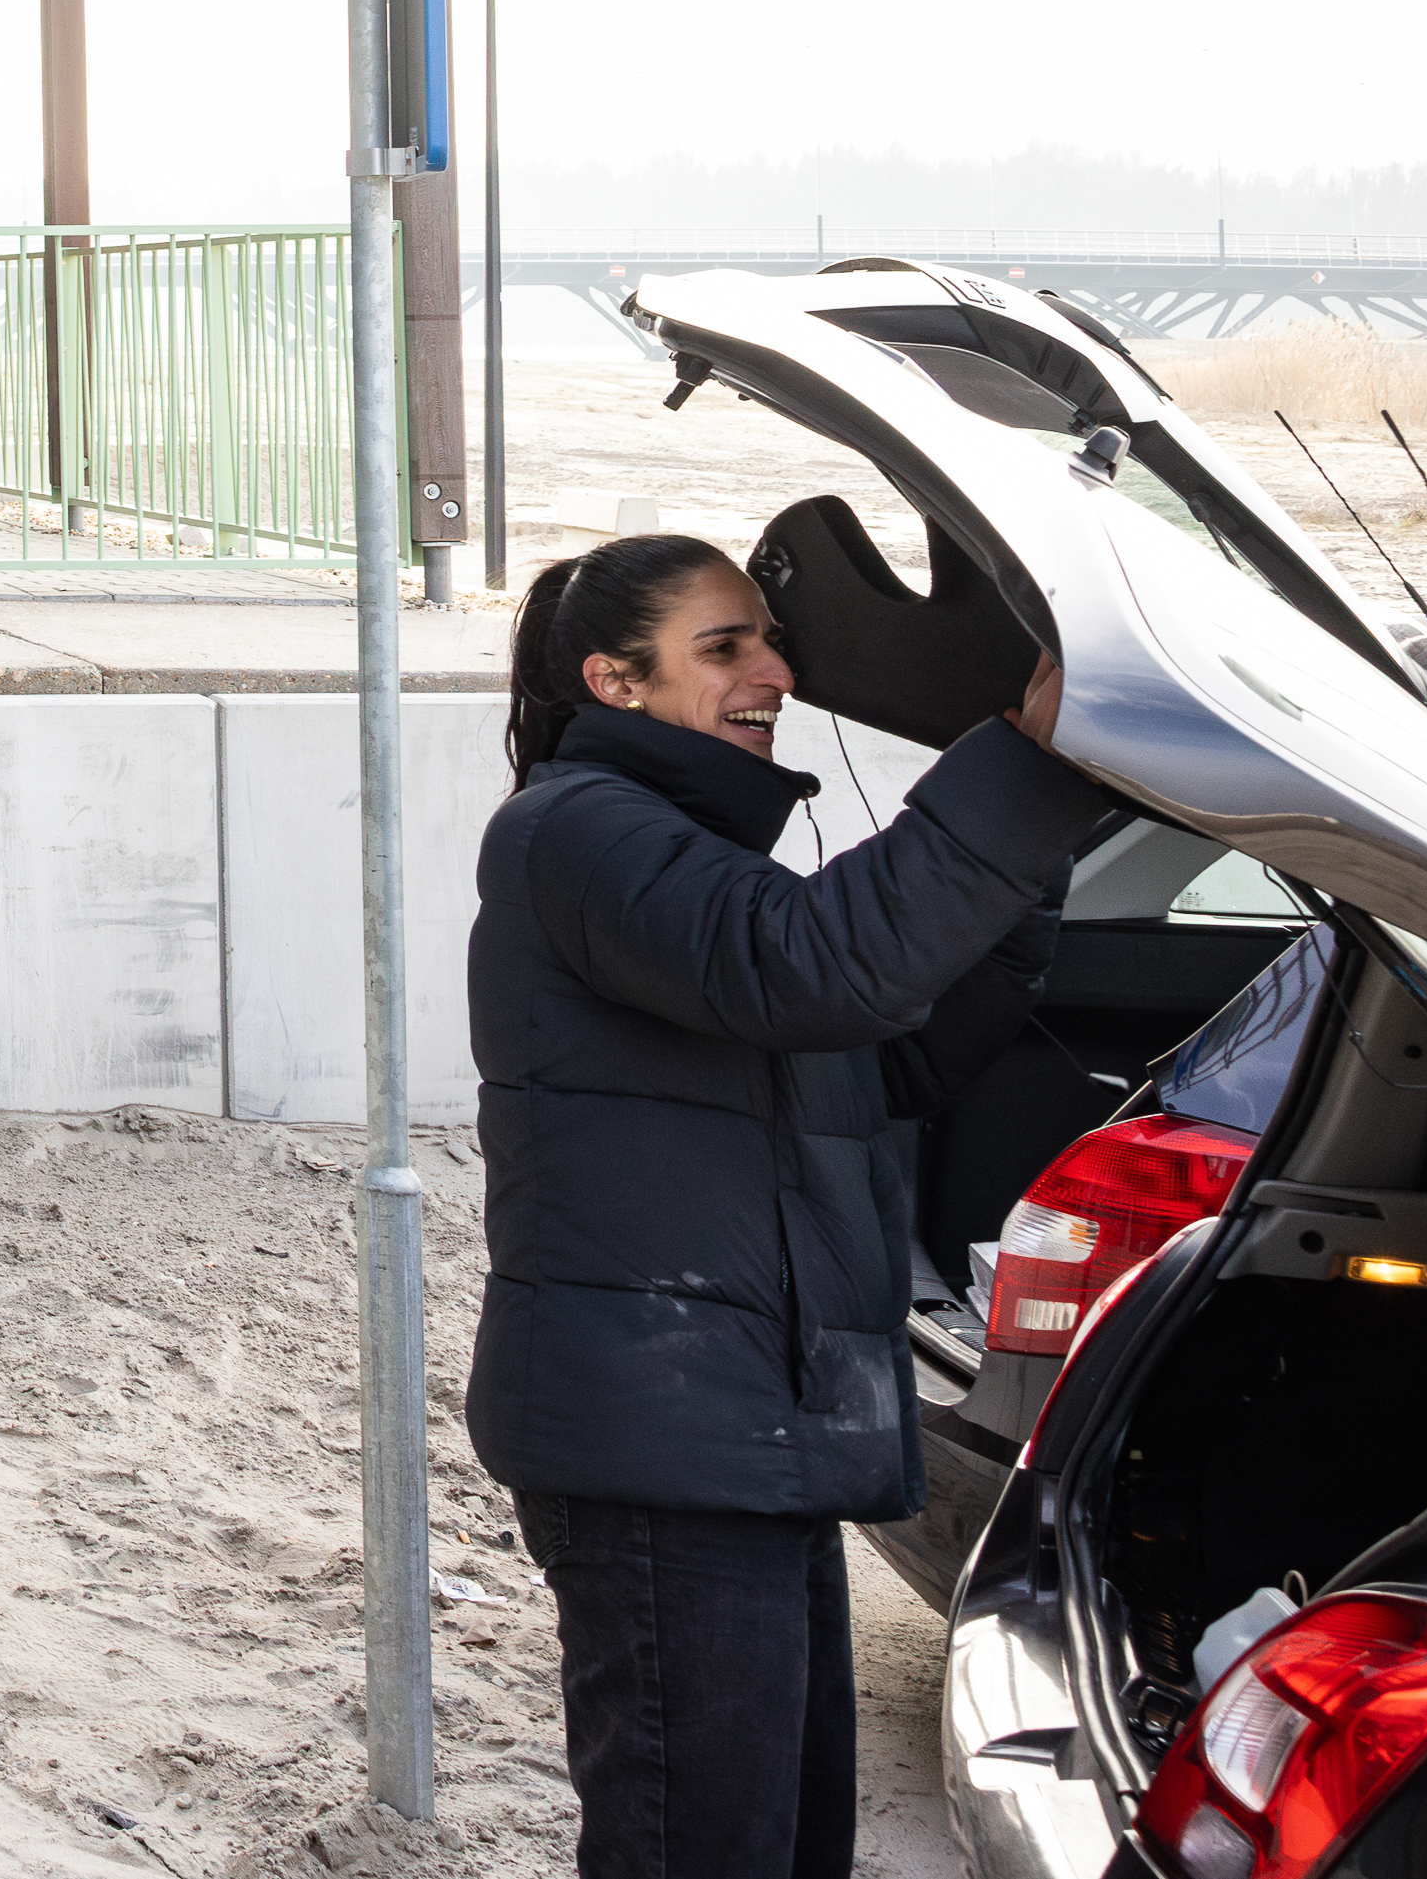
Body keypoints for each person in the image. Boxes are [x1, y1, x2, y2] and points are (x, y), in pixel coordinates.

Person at [467, 530, 1106, 1878]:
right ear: (616, 679)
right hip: (665, 1451)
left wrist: (1029, 853)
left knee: (786, 1845)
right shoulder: (579, 833)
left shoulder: (706, 866)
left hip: (746, 1436)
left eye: (767, 635)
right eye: (727, 645)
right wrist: (1022, 764)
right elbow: (821, 967)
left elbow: (899, 1049)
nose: (777, 666)